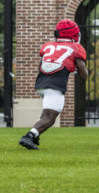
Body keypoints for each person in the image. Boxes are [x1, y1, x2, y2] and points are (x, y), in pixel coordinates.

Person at [18, 19, 88, 150]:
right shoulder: (76, 48)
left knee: (46, 114)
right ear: (74, 34)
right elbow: (83, 72)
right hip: (56, 83)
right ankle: (29, 136)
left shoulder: (48, 46)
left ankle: (36, 135)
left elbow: (41, 65)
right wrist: (82, 71)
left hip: (41, 82)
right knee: (50, 117)